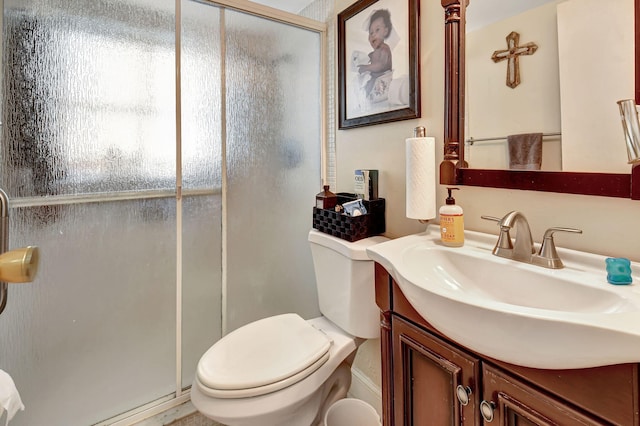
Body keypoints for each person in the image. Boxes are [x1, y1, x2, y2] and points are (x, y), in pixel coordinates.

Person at [358, 9, 393, 98]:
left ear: (385, 31)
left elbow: (380, 65)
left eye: (377, 30)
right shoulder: (372, 53)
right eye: (371, 32)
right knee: (363, 86)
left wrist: (365, 67)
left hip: (383, 82)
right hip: (374, 80)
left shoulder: (385, 49)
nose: (373, 35)